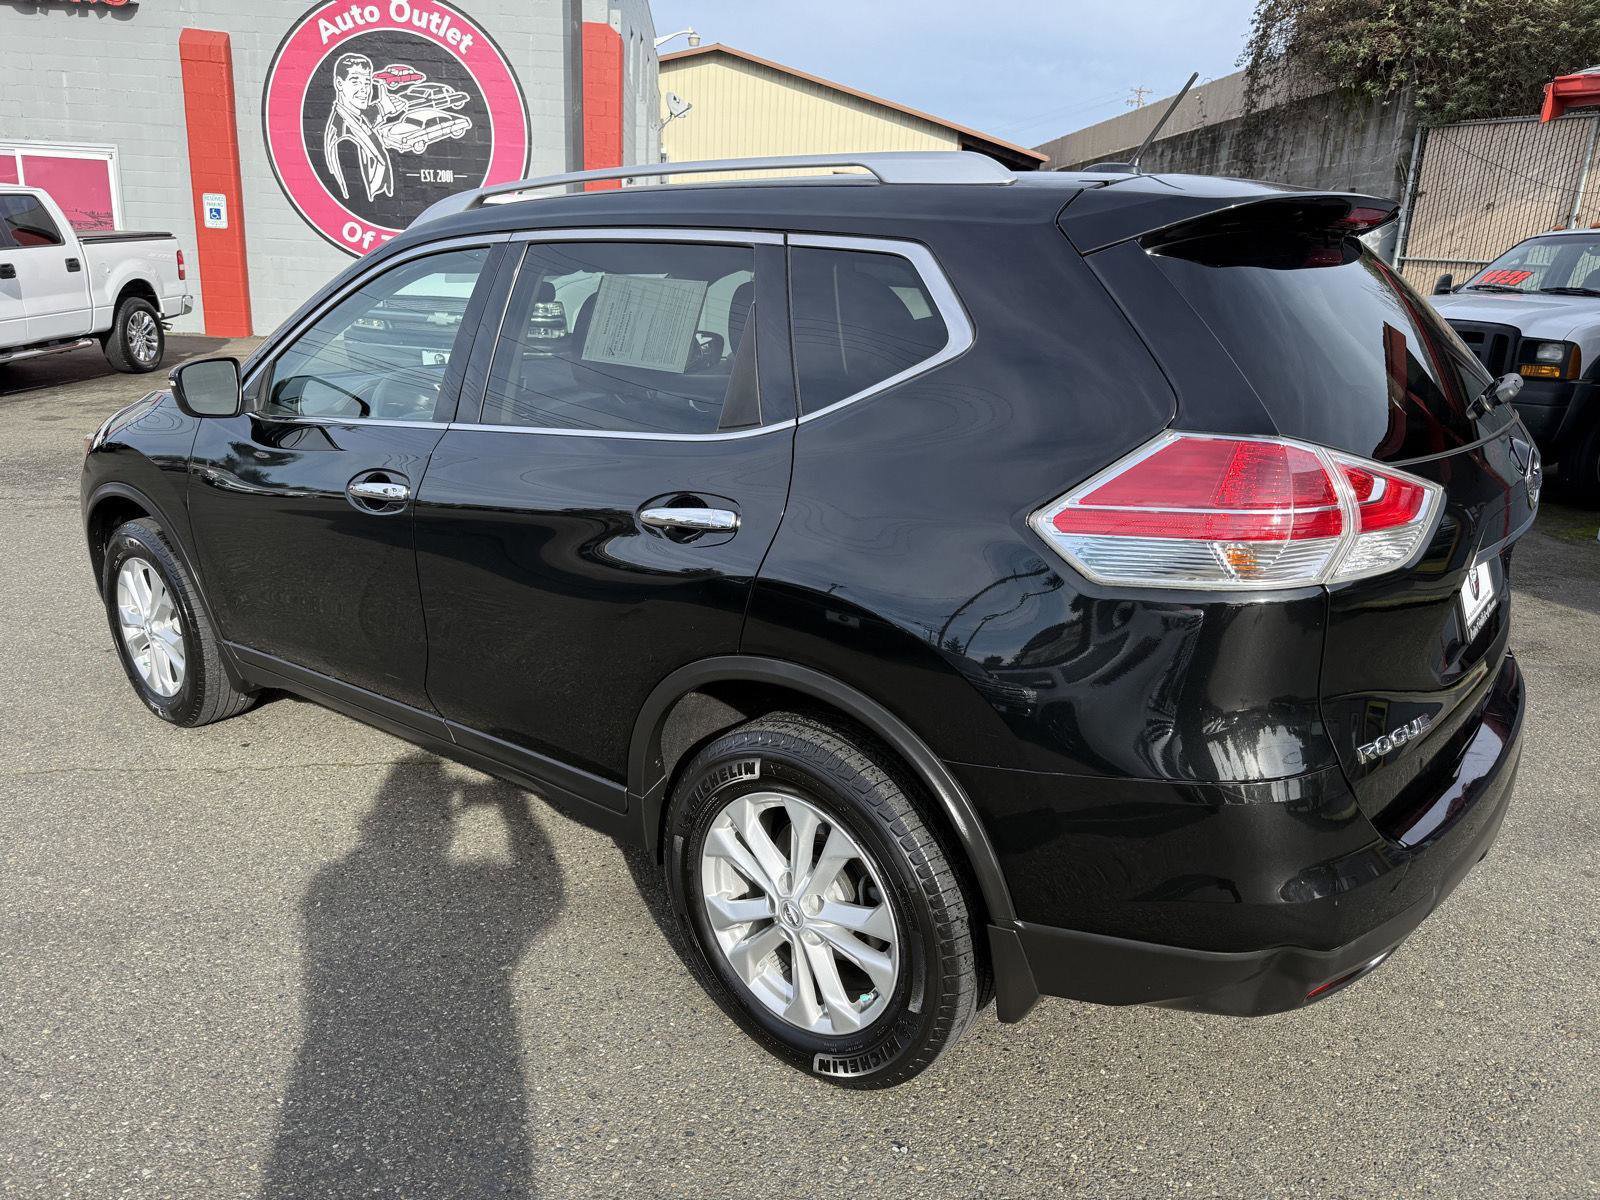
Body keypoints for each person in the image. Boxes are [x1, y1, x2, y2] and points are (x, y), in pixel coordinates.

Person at [323, 52, 405, 203]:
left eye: (367, 83)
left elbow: (364, 123)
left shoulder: (352, 116)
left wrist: (383, 107)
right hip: (378, 205)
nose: (364, 89)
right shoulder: (345, 140)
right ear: (339, 84)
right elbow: (357, 200)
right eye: (355, 81)